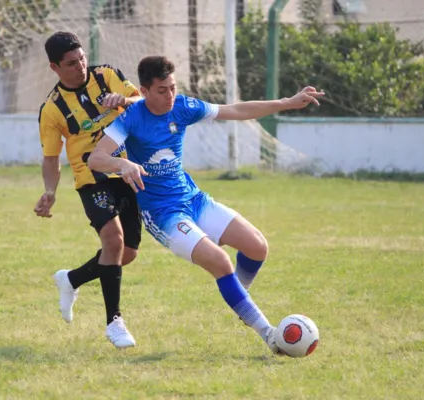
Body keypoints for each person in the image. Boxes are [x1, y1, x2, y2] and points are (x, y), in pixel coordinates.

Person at [87, 55, 324, 354]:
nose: (170, 95)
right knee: (221, 263)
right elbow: (95, 158)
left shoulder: (183, 107)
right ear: (144, 91)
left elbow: (235, 110)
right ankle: (269, 335)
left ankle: (240, 300)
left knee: (257, 247)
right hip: (163, 214)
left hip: (193, 199)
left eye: (173, 87)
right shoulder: (130, 119)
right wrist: (121, 163)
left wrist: (286, 102)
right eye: (162, 90)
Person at [34, 31, 143, 348]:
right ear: (55, 68)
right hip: (90, 178)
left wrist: (124, 100)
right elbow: (51, 157)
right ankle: (114, 323)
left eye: (81, 58)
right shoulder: (52, 110)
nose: (80, 66)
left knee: (128, 253)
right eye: (70, 63)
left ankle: (71, 279)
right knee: (114, 240)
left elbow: (142, 102)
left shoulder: (107, 75)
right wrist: (50, 192)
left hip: (125, 170)